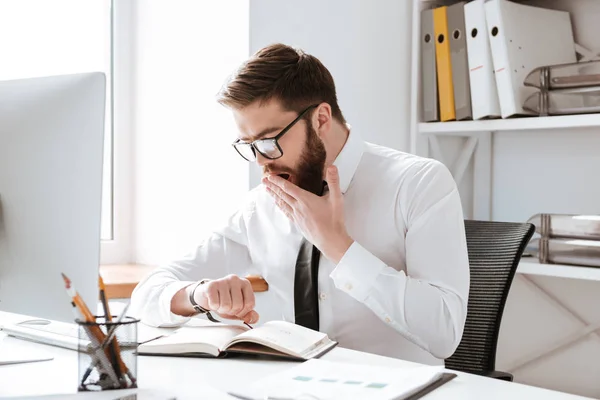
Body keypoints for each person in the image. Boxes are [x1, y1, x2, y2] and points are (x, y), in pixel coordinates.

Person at [130, 43, 470, 364]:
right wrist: (198, 295)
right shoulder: (262, 205)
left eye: (268, 141)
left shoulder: (419, 183)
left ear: (321, 119)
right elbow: (146, 295)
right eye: (249, 145)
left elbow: (445, 334)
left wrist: (338, 246)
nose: (262, 163)